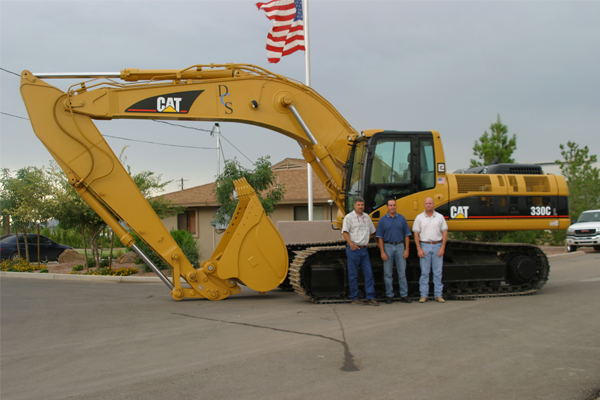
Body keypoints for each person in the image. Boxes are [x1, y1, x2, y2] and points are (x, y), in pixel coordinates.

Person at [342, 197, 378, 306]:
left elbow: (373, 232)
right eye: (358, 205)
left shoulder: (367, 217)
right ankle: (355, 298)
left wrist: (380, 244)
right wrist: (351, 244)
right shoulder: (349, 217)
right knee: (353, 275)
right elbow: (344, 232)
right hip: (354, 250)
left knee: (369, 274)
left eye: (362, 205)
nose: (360, 206)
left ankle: (370, 297)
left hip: (364, 250)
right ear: (354, 206)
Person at [376, 199, 412, 304]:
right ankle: (389, 295)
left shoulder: (402, 219)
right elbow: (380, 238)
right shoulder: (382, 220)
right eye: (390, 205)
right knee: (388, 273)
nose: (392, 207)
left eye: (394, 205)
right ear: (387, 207)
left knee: (402, 273)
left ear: (396, 206)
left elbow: (407, 235)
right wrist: (382, 251)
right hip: (388, 247)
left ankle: (404, 295)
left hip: (400, 246)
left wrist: (407, 249)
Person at [413, 197, 448, 303]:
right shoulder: (419, 218)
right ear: (424, 205)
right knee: (424, 272)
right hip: (425, 246)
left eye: (430, 203)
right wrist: (419, 248)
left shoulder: (440, 217)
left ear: (433, 204)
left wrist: (442, 247)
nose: (428, 205)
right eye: (426, 203)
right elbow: (416, 233)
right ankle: (424, 295)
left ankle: (438, 295)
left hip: (437, 245)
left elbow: (445, 232)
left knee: (437, 272)